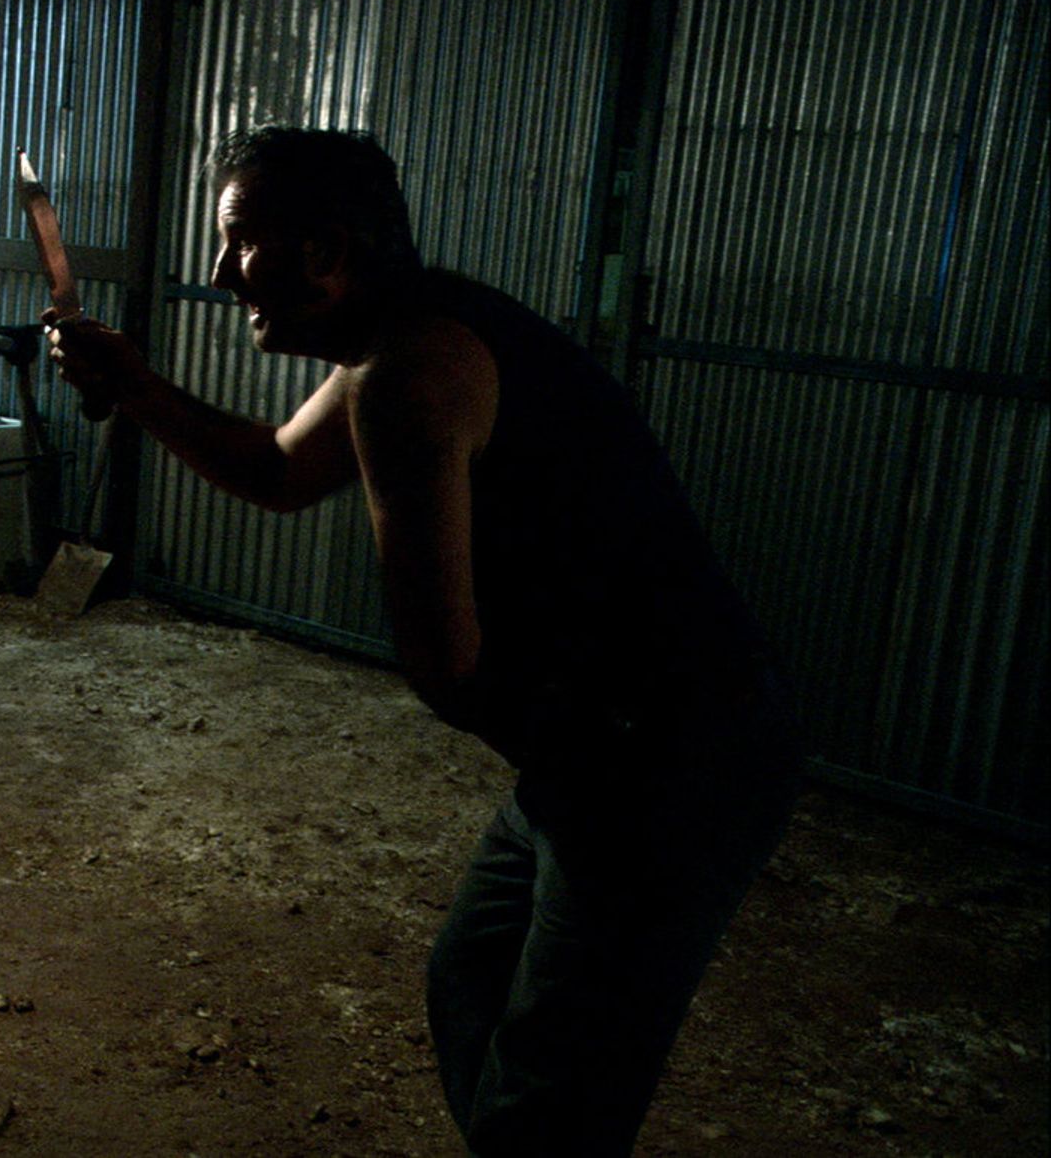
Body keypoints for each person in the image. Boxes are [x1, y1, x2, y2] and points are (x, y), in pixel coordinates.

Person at [46, 126, 801, 1155]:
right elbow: (279, 469)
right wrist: (136, 387)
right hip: (598, 746)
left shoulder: (412, 374)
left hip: (671, 761)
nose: (220, 273)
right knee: (470, 981)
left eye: (240, 242)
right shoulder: (404, 332)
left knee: (551, 1096)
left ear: (324, 253)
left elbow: (446, 668)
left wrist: (595, 779)